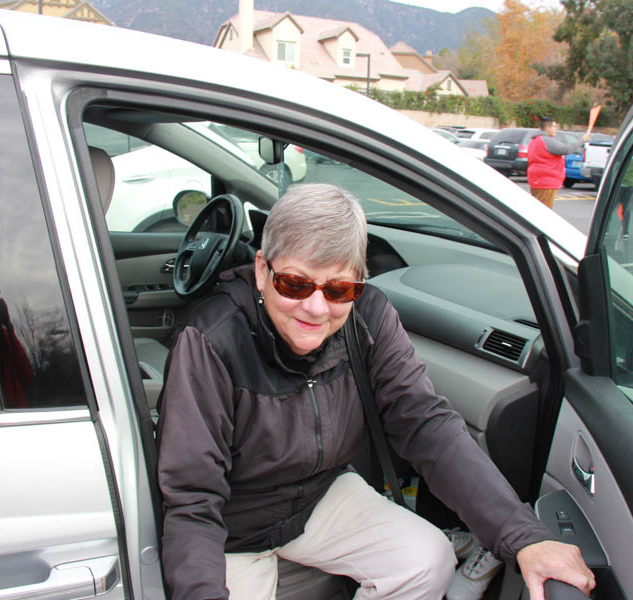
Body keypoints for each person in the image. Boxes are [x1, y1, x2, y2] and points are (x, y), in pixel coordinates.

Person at [156, 184, 596, 600]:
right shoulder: (212, 339)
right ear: (261, 271)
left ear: (360, 283)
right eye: (294, 283)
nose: (315, 307)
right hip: (234, 528)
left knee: (428, 560)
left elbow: (427, 425)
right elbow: (193, 497)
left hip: (318, 496)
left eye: (339, 288)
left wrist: (524, 537)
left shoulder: (368, 316)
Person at [527, 118, 590, 209]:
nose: (556, 129)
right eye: (555, 126)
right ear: (548, 127)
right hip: (546, 181)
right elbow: (565, 149)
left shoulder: (535, 140)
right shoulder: (547, 140)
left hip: (537, 179)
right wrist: (582, 140)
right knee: (545, 211)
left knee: (538, 208)